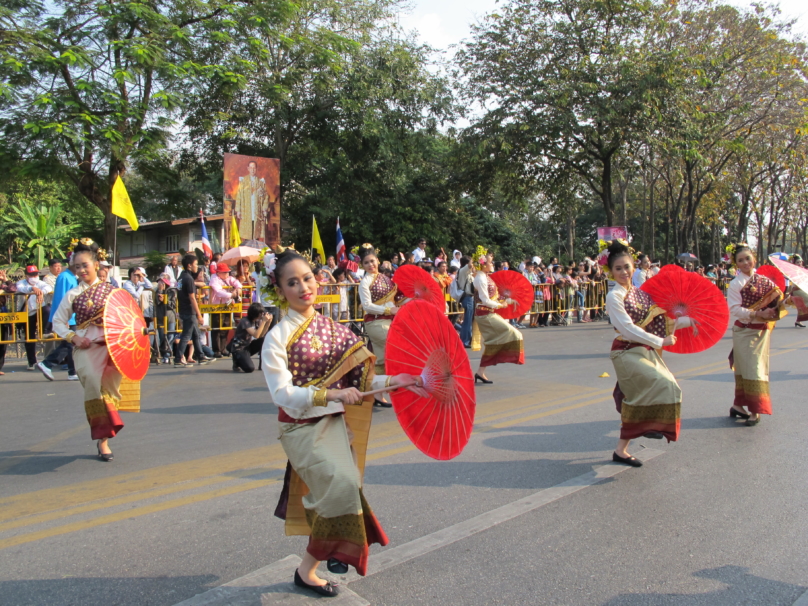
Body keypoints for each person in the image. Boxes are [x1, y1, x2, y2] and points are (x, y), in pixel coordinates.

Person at [261, 250, 426, 595]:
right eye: (292, 282)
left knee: (343, 486)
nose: (303, 287)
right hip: (300, 426)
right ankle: (334, 550)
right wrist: (331, 395)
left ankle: (309, 568)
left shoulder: (335, 330)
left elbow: (363, 381)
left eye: (307, 278)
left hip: (333, 423)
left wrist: (402, 379)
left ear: (317, 280)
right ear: (280, 290)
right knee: (340, 484)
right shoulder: (277, 337)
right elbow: (282, 394)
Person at [604, 240, 693, 467]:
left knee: (653, 391)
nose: (624, 272)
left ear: (634, 266)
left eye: (627, 267)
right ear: (611, 271)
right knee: (661, 384)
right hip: (625, 352)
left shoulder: (640, 293)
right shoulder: (614, 297)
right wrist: (660, 341)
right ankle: (651, 426)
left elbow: (660, 321)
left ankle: (621, 449)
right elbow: (627, 329)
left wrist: (688, 320)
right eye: (618, 268)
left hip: (644, 350)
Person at [52, 241, 125, 461]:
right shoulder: (72, 295)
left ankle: (105, 439)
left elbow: (126, 317)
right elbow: (58, 322)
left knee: (109, 392)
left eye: (85, 265)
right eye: (77, 267)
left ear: (95, 264)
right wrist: (74, 338)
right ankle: (102, 439)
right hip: (86, 348)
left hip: (111, 348)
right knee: (93, 384)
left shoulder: (112, 291)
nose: (82, 270)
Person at [726, 243, 785, 426]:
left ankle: (738, 406)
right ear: (736, 265)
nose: (745, 263)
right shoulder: (736, 284)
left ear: (754, 259)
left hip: (761, 332)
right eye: (740, 260)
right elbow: (735, 309)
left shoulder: (764, 281)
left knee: (753, 369)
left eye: (747, 258)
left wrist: (787, 301)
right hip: (744, 331)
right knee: (750, 370)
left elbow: (777, 301)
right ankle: (755, 409)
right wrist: (757, 313)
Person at [358, 243, 402, 407]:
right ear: (362, 265)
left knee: (382, 359)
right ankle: (392, 386)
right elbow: (367, 306)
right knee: (393, 350)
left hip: (390, 320)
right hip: (376, 322)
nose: (370, 265)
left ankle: (377, 393)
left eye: (372, 261)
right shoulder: (365, 282)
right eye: (366, 263)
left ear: (378, 260)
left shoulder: (386, 279)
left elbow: (396, 298)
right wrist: (388, 310)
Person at [471, 248, 524, 383]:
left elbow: (493, 297)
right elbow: (485, 300)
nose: (492, 264)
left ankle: (480, 372)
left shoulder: (485, 276)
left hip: (487, 312)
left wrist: (509, 300)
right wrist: (502, 304)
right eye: (490, 262)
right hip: (484, 314)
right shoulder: (480, 278)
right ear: (484, 264)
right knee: (513, 333)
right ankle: (505, 356)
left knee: (493, 342)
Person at [174, 254, 211, 368]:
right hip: (189, 310)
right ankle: (178, 358)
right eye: (195, 264)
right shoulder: (188, 279)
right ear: (189, 266)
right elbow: (192, 297)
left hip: (183, 309)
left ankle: (200, 355)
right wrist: (199, 315)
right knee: (186, 335)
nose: (197, 267)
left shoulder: (181, 277)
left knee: (195, 334)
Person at [15, 265, 53, 371]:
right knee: (29, 337)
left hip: (39, 311)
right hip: (27, 313)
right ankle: (32, 362)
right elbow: (20, 288)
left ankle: (46, 331)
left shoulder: (40, 283)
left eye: (35, 274)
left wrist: (40, 292)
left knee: (47, 309)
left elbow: (48, 288)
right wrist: (32, 289)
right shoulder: (21, 283)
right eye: (31, 275)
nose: (34, 276)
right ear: (26, 275)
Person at [209, 262, 242, 357]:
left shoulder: (228, 278)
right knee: (216, 327)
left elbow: (237, 283)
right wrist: (231, 295)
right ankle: (216, 350)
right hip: (216, 306)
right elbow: (219, 292)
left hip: (227, 305)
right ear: (219, 273)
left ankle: (223, 348)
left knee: (225, 326)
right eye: (225, 272)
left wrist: (237, 289)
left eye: (228, 272)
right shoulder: (214, 279)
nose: (227, 274)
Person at [234, 160, 268, 241]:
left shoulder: (260, 182)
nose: (252, 169)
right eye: (251, 167)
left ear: (256, 169)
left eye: (254, 168)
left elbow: (265, 196)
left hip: (256, 210)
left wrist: (264, 209)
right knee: (246, 233)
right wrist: (238, 210)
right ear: (248, 168)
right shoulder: (243, 181)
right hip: (246, 210)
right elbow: (239, 195)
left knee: (256, 231)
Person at [230, 302, 268, 372]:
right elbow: (256, 335)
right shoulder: (245, 321)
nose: (262, 315)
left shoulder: (255, 321)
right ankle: (236, 360)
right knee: (249, 368)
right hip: (239, 348)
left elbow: (261, 335)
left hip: (247, 346)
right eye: (261, 313)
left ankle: (261, 365)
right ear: (255, 313)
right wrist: (263, 322)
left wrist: (268, 322)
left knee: (263, 339)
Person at [155, 274, 178, 364]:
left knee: (170, 335)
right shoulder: (156, 291)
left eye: (163, 281)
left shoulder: (172, 291)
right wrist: (159, 293)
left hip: (170, 315)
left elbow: (173, 304)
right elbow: (156, 302)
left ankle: (168, 355)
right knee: (162, 336)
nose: (161, 283)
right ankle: (163, 354)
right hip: (160, 315)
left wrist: (165, 300)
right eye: (160, 282)